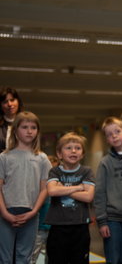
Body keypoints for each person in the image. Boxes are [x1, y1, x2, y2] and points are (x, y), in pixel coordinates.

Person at [0, 111, 51, 263]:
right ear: (15, 130)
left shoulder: (41, 158)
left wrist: (34, 211)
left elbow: (45, 189)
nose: (29, 131)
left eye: (33, 127)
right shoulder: (4, 157)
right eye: (24, 127)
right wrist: (4, 213)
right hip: (6, 212)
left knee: (25, 257)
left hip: (31, 213)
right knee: (5, 257)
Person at [95, 117, 122, 264]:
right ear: (107, 140)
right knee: (113, 260)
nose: (114, 136)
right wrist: (102, 222)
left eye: (117, 131)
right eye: (109, 134)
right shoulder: (105, 163)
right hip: (112, 220)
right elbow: (99, 193)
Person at [45, 133, 95, 264]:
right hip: (58, 227)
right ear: (59, 154)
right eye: (68, 148)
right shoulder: (55, 172)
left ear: (82, 154)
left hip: (80, 226)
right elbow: (52, 191)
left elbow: (89, 196)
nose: (73, 151)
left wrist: (63, 189)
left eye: (78, 148)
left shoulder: (86, 171)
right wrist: (79, 187)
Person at [31, 155, 59, 264]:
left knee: (52, 256)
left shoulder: (58, 185)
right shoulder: (39, 186)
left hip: (54, 227)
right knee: (32, 255)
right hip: (39, 227)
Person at [0, 86, 24, 153]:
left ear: (18, 102)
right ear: (0, 106)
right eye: (5, 102)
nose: (9, 104)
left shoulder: (27, 124)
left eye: (12, 100)